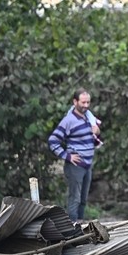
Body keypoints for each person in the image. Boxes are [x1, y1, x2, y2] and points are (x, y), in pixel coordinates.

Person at [48, 90, 98, 222]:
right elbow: (53, 141)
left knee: (83, 199)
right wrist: (67, 156)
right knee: (74, 198)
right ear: (75, 102)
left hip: (87, 164)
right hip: (75, 166)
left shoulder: (88, 117)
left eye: (88, 102)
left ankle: (81, 227)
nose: (86, 105)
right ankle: (72, 228)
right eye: (83, 102)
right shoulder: (68, 120)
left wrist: (96, 130)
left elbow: (94, 135)